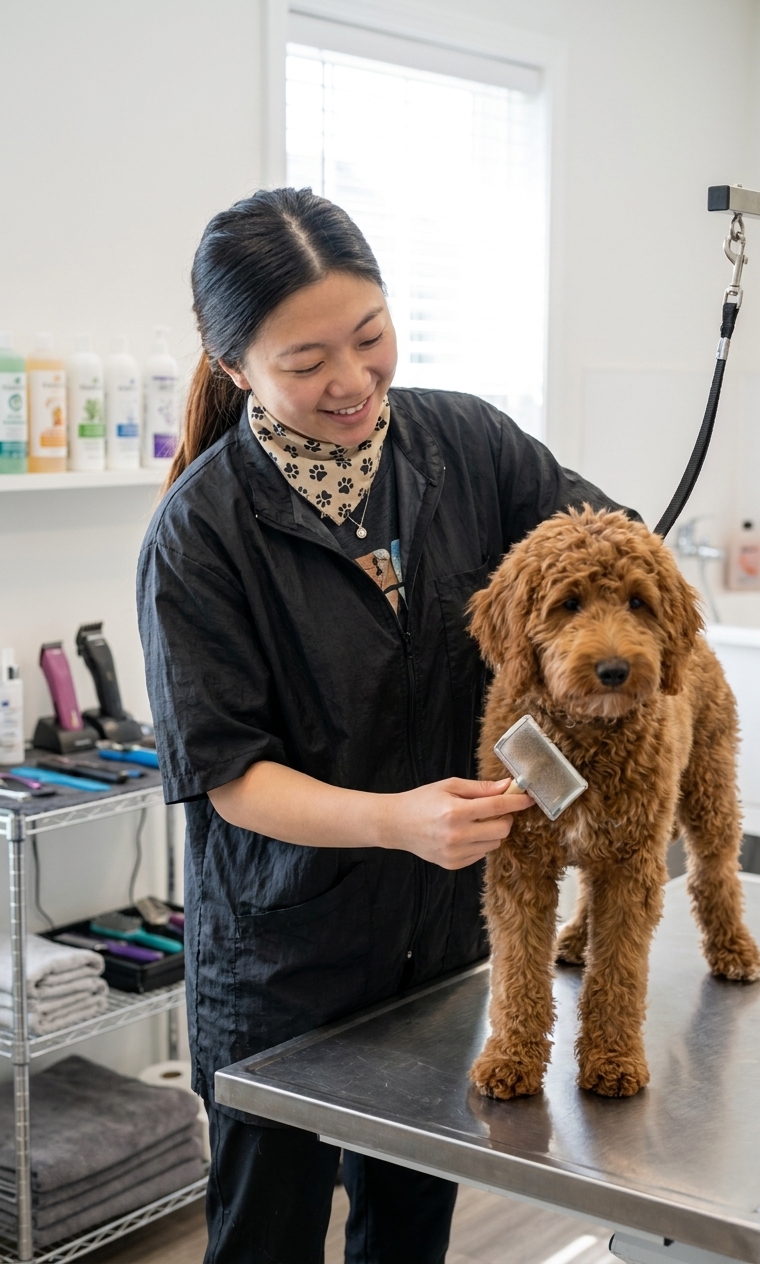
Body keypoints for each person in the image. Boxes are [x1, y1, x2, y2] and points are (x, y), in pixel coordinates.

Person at [137, 187, 634, 1264]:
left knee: (409, 1231)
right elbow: (229, 775)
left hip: (441, 941)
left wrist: (627, 580)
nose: (353, 380)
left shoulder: (468, 444)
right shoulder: (200, 535)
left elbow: (596, 532)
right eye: (306, 359)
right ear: (236, 370)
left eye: (369, 336)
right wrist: (393, 819)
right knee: (266, 1238)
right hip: (285, 963)